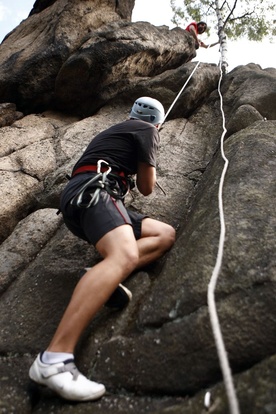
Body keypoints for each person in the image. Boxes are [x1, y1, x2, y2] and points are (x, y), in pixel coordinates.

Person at [29, 96, 176, 402]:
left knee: (164, 234)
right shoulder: (148, 131)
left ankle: (101, 275)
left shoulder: (118, 129)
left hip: (86, 197)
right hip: (96, 191)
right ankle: (54, 360)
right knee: (125, 254)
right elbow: (148, 188)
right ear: (158, 122)